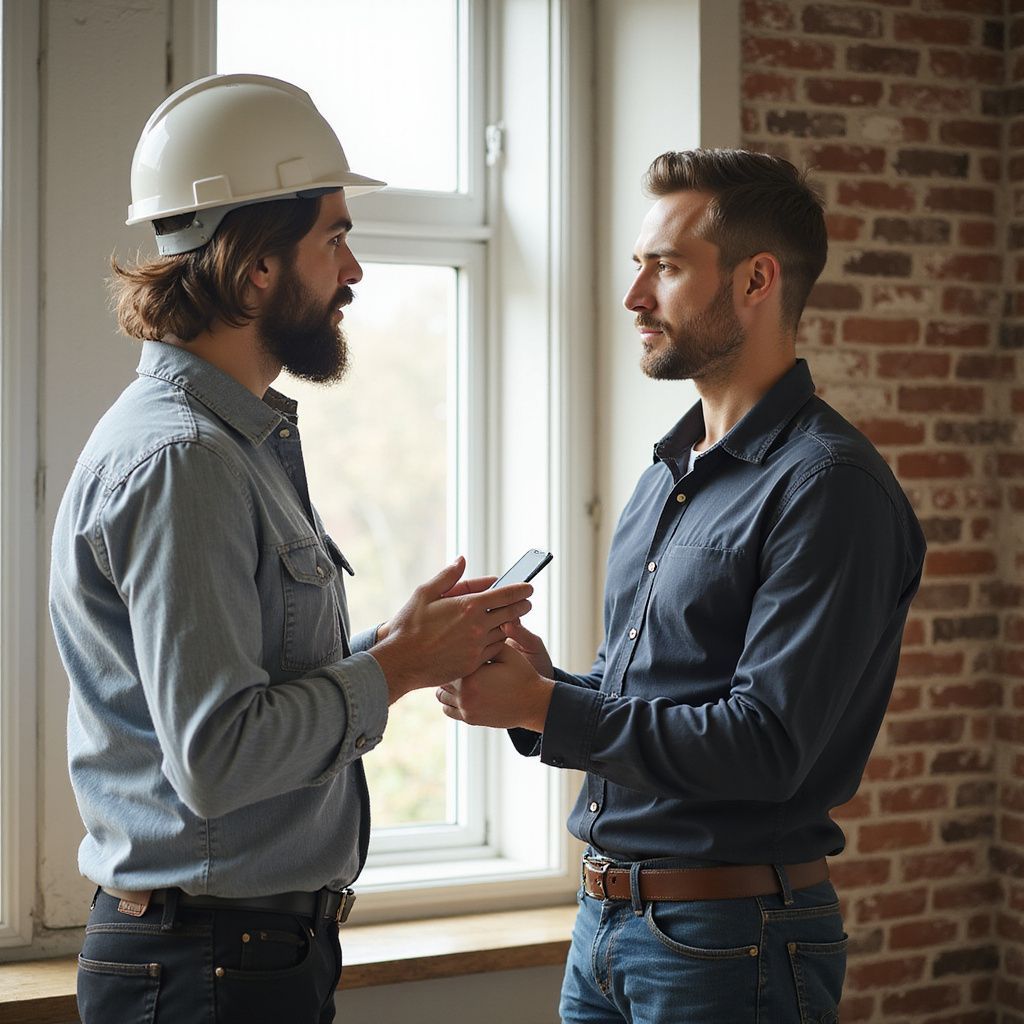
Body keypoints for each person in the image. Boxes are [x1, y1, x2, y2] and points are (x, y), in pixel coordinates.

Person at [48, 73, 533, 1024]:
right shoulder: (186, 460)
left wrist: (393, 648)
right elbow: (218, 758)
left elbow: (244, 695)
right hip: (208, 965)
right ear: (257, 267)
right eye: (335, 238)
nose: (354, 271)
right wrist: (397, 669)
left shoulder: (226, 444)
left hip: (235, 958)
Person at [436, 148, 926, 1024]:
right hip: (605, 928)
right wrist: (542, 688)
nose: (634, 297)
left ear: (756, 280)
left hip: (732, 940)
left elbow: (765, 744)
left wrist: (547, 707)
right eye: (639, 265)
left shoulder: (829, 488)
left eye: (664, 267)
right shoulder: (667, 473)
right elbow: (657, 700)